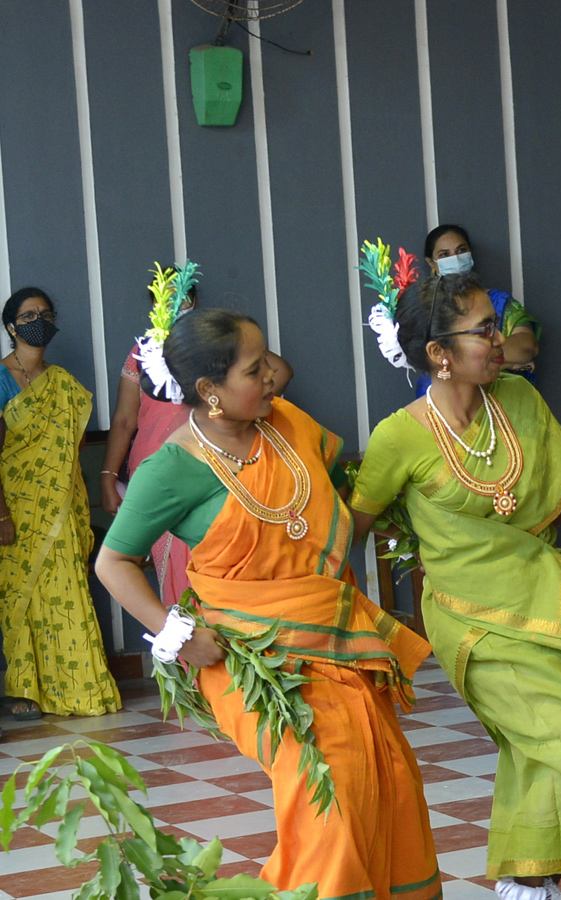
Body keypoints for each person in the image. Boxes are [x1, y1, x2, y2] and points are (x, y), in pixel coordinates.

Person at [349, 271, 561, 900]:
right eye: (483, 329)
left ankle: (524, 883)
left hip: (543, 593)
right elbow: (351, 528)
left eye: (496, 323)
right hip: (471, 621)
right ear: (437, 355)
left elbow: (558, 492)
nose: (500, 338)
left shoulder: (519, 400)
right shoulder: (399, 436)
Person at [94, 309, 440, 900]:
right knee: (328, 787)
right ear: (208, 390)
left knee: (389, 780)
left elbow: (325, 516)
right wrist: (176, 635)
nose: (273, 378)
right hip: (246, 656)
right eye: (255, 370)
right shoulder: (173, 467)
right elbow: (113, 563)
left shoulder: (285, 424)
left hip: (332, 637)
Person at [99, 273, 293, 606]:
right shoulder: (143, 352)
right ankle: (185, 642)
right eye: (167, 298)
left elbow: (281, 372)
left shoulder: (219, 349)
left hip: (222, 455)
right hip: (165, 468)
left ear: (195, 302)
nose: (176, 305)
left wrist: (218, 338)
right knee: (174, 563)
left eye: (182, 297)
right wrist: (107, 476)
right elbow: (124, 420)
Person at [0, 288, 121, 720]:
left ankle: (77, 687)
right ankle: (26, 691)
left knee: (67, 594)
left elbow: (71, 450)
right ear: (12, 326)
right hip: (14, 512)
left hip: (62, 513)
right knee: (21, 600)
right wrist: (2, 514)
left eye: (46, 314)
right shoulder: (0, 380)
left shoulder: (65, 386)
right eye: (29, 315)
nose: (40, 320)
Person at [414, 224, 539, 396]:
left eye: (461, 250)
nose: (455, 259)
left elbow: (526, 347)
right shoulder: (426, 310)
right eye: (444, 255)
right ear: (431, 263)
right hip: (440, 406)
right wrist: (506, 363)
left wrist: (458, 363)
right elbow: (428, 362)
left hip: (502, 405)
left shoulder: (499, 302)